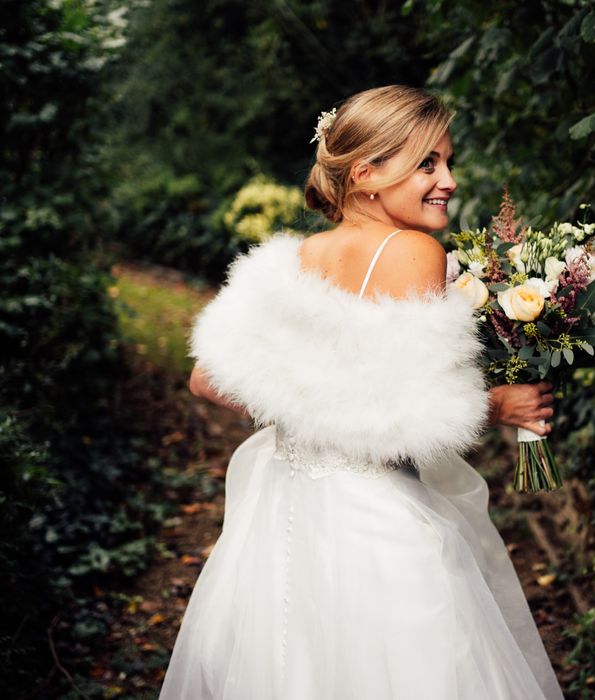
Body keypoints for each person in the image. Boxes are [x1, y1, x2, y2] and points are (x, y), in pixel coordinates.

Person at [160, 85, 562, 699]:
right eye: (427, 163)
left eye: (448, 162)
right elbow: (408, 413)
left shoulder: (297, 257)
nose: (448, 180)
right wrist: (501, 404)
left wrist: (305, 414)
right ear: (368, 174)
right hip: (368, 519)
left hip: (282, 512)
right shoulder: (413, 251)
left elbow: (207, 377)